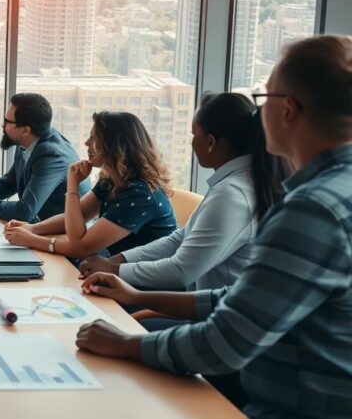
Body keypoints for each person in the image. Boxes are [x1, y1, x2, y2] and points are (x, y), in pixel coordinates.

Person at [75, 35, 352, 419]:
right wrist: (139, 296)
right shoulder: (330, 193)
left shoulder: (313, 210)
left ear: (287, 110)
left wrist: (127, 345)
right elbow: (246, 298)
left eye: (263, 100)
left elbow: (225, 341)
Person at [78, 93, 290, 297]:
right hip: (196, 301)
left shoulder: (232, 195)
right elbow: (179, 239)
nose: (191, 142)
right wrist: (117, 261)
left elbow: (181, 271)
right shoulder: (233, 183)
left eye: (193, 134)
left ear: (210, 142)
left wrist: (115, 270)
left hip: (209, 314)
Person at [5, 111, 177, 258]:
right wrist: (32, 228)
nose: (87, 143)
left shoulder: (140, 194)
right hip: (116, 271)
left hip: (141, 284)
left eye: (94, 138)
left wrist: (30, 239)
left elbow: (80, 245)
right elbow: (76, 216)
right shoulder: (111, 180)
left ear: (114, 145)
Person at [0, 93, 90, 222]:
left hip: (64, 234)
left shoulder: (51, 155)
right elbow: (11, 182)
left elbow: (24, 211)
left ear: (26, 130)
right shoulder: (29, 140)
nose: (3, 126)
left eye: (7, 121)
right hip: (41, 226)